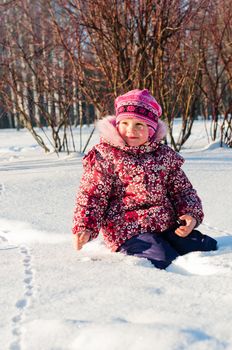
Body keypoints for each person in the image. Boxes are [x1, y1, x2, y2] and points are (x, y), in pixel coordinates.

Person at [72, 89, 217, 269]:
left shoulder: (164, 156)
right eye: (124, 123)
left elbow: (182, 190)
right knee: (162, 256)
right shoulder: (106, 156)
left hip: (164, 222)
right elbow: (92, 195)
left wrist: (190, 215)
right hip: (126, 227)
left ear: (151, 129)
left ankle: (172, 240)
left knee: (203, 246)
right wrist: (85, 227)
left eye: (139, 125)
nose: (131, 130)